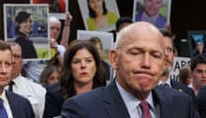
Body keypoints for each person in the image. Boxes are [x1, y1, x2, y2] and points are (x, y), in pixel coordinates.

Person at [61, 22, 199, 118]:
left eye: (155, 55)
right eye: (135, 53)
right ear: (114, 59)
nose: (146, 63)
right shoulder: (82, 110)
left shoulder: (182, 104)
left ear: (163, 63)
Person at [43, 40, 106, 118]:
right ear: (69, 67)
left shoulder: (106, 95)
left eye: (88, 61)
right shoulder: (55, 95)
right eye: (76, 61)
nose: (83, 66)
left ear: (96, 65)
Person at [158, 30, 197, 110]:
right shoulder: (141, 90)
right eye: (161, 48)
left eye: (169, 50)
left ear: (174, 54)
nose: (166, 54)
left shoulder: (187, 93)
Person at [7, 41, 46, 118]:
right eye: (9, 56)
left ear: (22, 60)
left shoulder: (38, 90)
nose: (13, 61)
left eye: (17, 56)